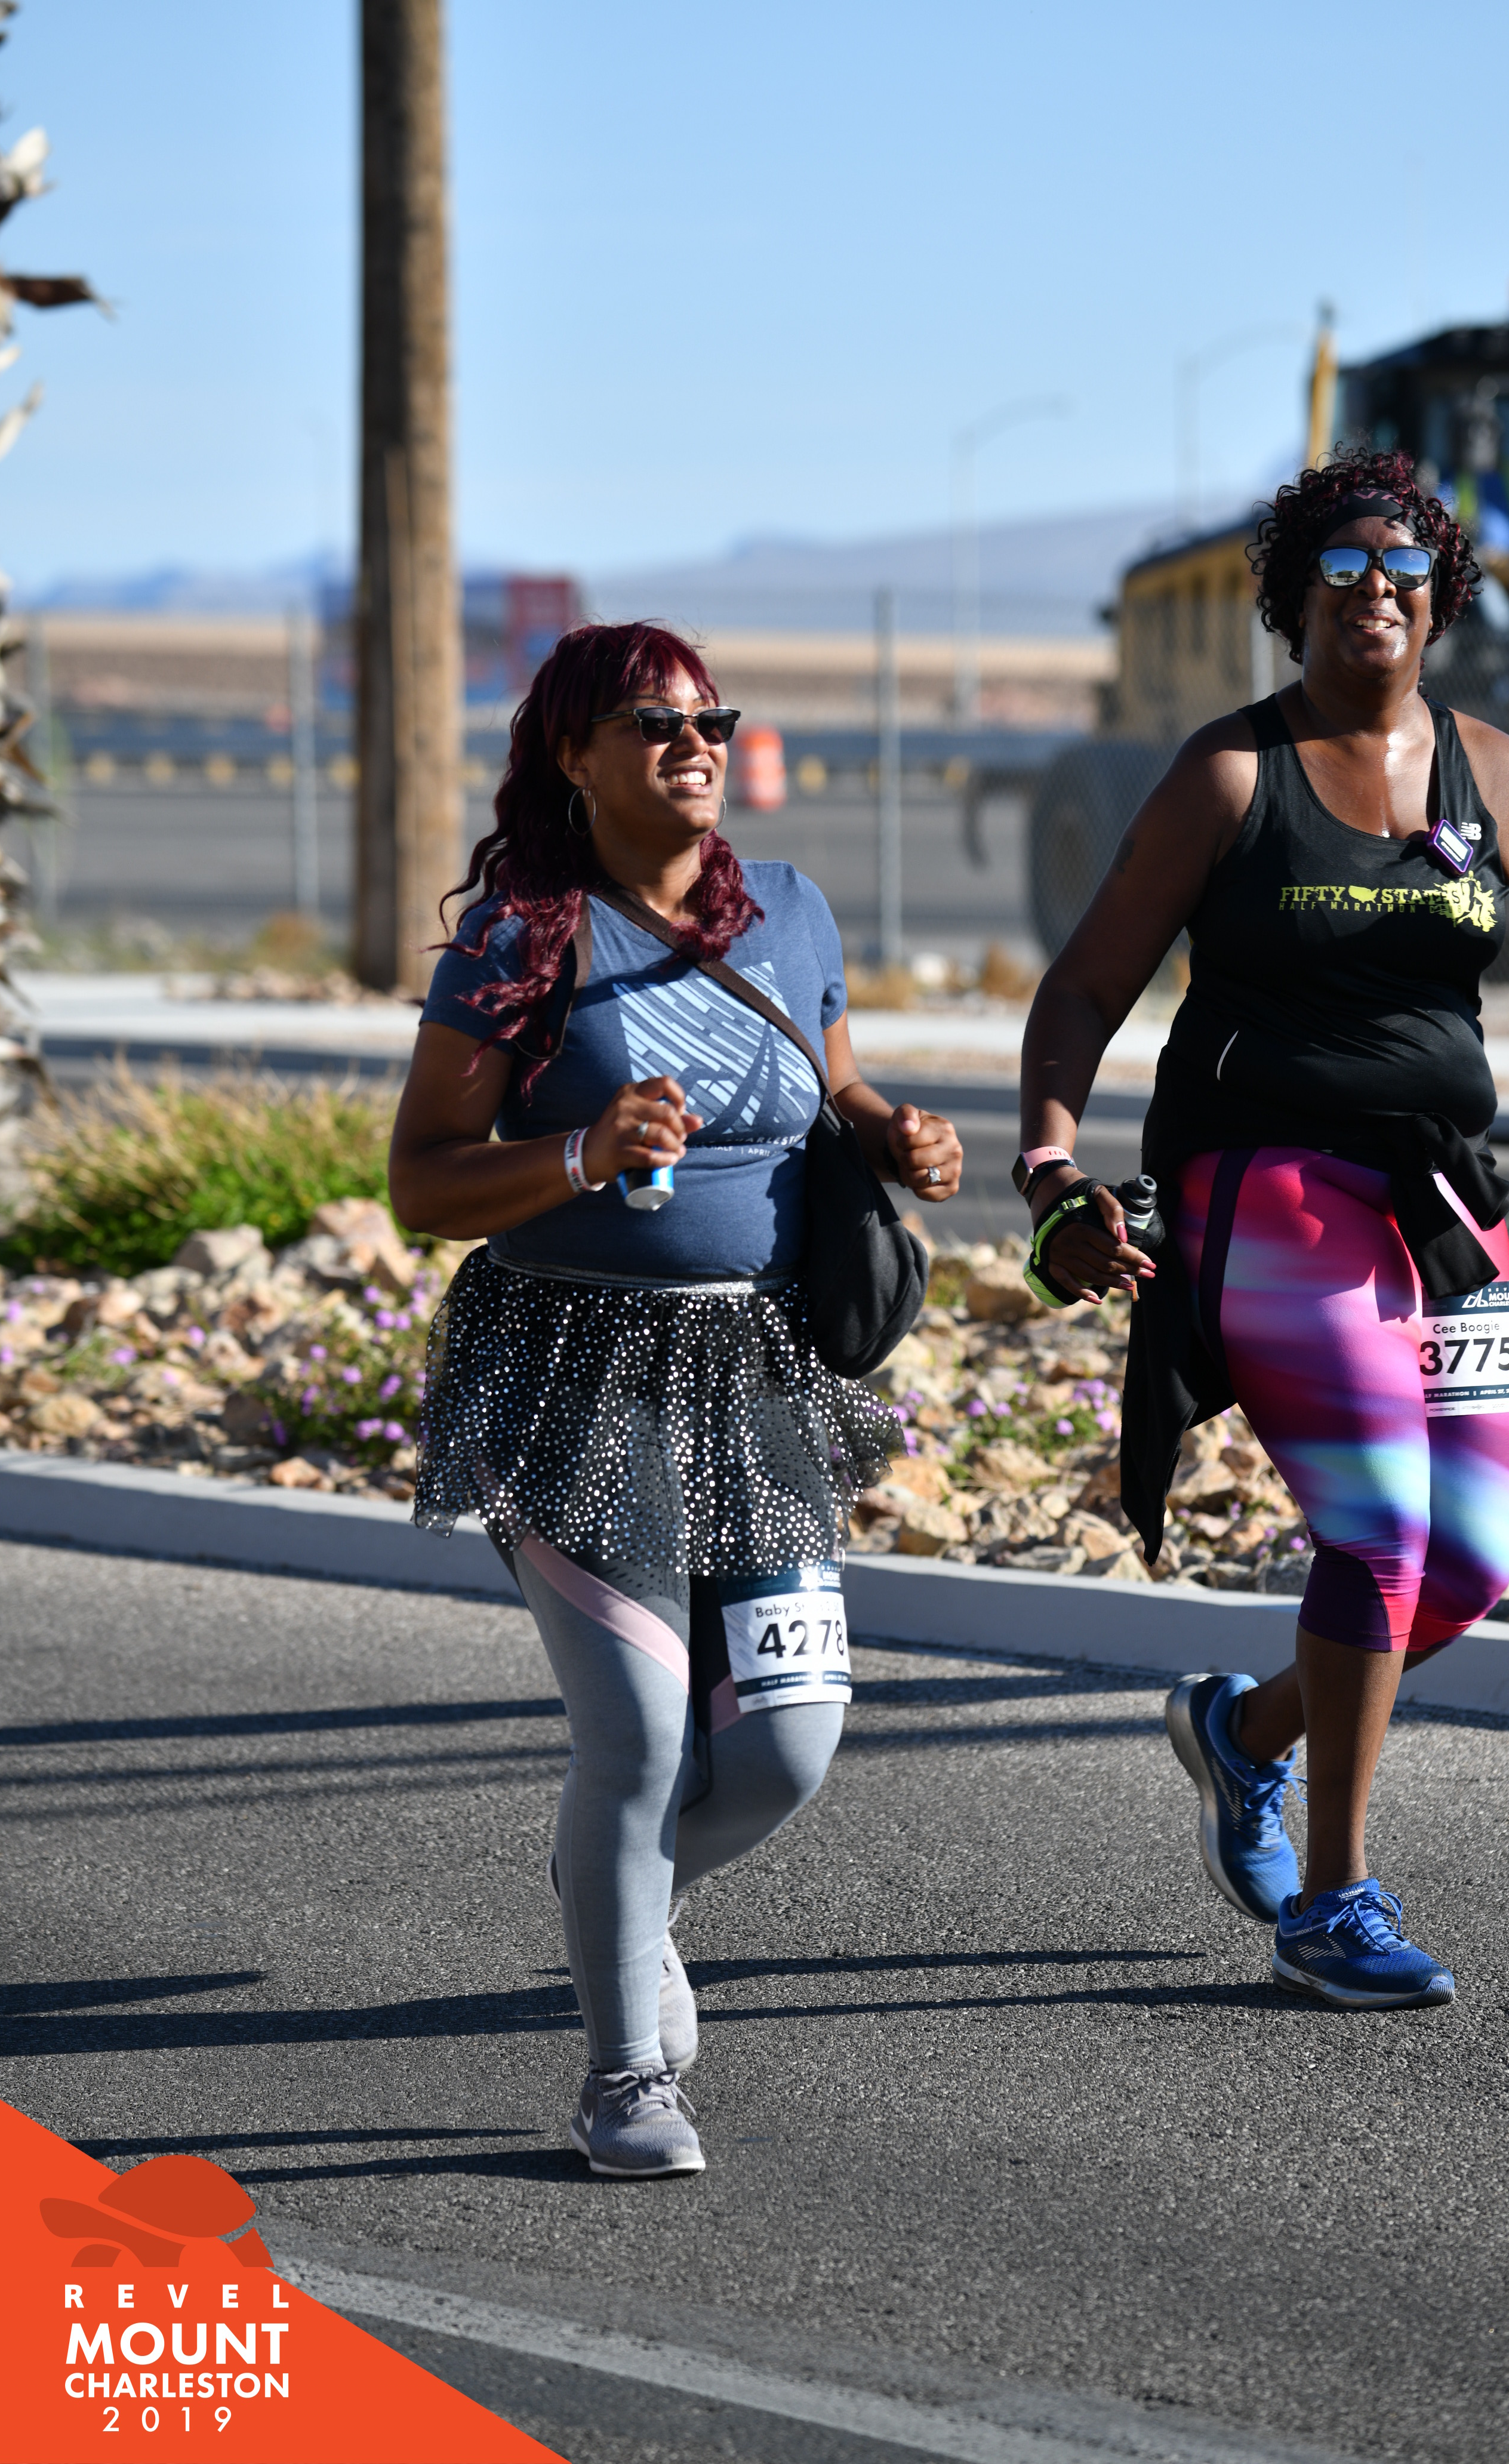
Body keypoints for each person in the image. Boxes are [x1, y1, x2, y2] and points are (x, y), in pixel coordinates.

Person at [1015, 446, 1509, 2009]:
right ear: (1294, 601)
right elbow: (1084, 987)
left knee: (1469, 1570)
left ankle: (1244, 1737)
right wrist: (1050, 1170)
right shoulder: (1234, 775)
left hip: (1447, 1213)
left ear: (1442, 599)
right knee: (1378, 1535)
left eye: (1403, 568)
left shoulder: (1503, 777)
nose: (1374, 590)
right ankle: (1333, 1903)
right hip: (1271, 1195)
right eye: (1343, 568)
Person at [390, 620, 962, 2175]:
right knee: (640, 1742)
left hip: (755, 1369)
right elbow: (420, 1184)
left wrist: (893, 1132)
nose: (693, 744)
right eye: (653, 723)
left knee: (786, 1746)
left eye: (710, 718)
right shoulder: (522, 939)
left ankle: (619, 1890)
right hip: (570, 1367)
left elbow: (832, 1087)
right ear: (574, 757)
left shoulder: (789, 909)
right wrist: (582, 1153)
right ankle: (623, 2077)